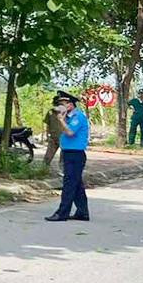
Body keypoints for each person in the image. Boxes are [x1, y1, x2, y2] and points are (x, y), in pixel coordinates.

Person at [45, 90, 90, 222]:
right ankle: (82, 212)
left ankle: (62, 213)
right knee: (76, 185)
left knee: (69, 185)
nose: (60, 106)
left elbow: (70, 132)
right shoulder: (68, 118)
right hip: (68, 153)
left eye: (63, 103)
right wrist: (62, 118)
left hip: (75, 155)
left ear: (70, 105)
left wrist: (61, 119)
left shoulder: (78, 117)